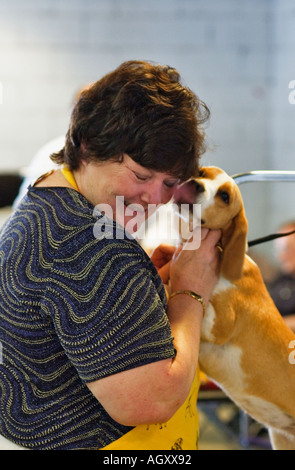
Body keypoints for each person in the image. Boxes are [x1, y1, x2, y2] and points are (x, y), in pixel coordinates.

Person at [0, 60, 221, 450]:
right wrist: (190, 291)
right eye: (140, 175)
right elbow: (152, 400)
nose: (154, 198)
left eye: (169, 183)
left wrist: (143, 288)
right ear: (88, 147)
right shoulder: (92, 246)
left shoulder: (48, 201)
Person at [268, 221, 295, 332]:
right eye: (278, 250)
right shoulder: (282, 278)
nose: (281, 256)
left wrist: (270, 325)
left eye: (286, 249)